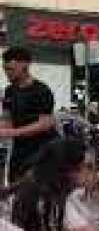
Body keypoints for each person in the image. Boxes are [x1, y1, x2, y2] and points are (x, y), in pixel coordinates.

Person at [0, 47, 58, 184]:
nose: (7, 73)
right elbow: (6, 120)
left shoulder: (42, 90)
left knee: (36, 192)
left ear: (24, 65)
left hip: (42, 151)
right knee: (15, 189)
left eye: (10, 69)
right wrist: (5, 129)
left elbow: (45, 124)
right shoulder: (9, 91)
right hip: (19, 152)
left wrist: (13, 132)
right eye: (5, 69)